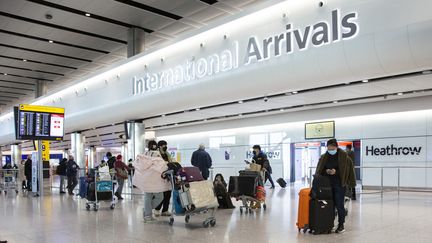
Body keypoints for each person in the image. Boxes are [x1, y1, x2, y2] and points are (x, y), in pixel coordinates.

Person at [315, 138, 356, 233]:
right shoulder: (324, 157)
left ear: (336, 147)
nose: (330, 150)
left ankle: (341, 224)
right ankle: (330, 224)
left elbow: (350, 172)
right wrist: (326, 171)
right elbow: (320, 170)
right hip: (327, 186)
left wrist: (336, 172)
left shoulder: (345, 158)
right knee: (330, 205)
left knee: (339, 204)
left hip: (339, 184)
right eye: (329, 148)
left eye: (332, 148)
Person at [139, 140, 170, 223]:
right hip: (154, 179)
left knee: (148, 197)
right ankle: (147, 214)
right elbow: (162, 165)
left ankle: (147, 213)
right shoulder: (157, 154)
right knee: (159, 196)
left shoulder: (144, 154)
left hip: (145, 179)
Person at [154, 140, 173, 217]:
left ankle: (165, 210)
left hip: (168, 176)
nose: (165, 146)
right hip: (160, 176)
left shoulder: (167, 154)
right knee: (161, 195)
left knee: (168, 194)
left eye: (166, 145)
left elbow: (171, 161)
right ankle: (157, 209)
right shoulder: (156, 154)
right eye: (164, 145)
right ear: (160, 146)